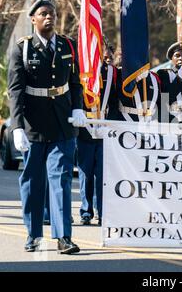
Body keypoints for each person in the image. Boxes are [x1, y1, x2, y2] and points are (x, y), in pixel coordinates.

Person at [7, 0, 87, 254]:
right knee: (32, 180)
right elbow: (16, 89)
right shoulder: (23, 48)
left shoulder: (68, 45)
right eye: (43, 13)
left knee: (61, 179)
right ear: (33, 19)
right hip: (33, 125)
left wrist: (78, 107)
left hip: (62, 123)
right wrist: (16, 126)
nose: (49, 16)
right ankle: (33, 234)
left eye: (51, 12)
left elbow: (75, 82)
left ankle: (63, 236)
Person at [76, 42, 119, 227]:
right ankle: (86, 211)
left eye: (107, 55)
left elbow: (116, 102)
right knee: (85, 174)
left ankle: (103, 211)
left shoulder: (112, 73)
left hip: (104, 130)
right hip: (85, 130)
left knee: (103, 175)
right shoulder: (82, 72)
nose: (104, 57)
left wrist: (109, 125)